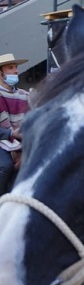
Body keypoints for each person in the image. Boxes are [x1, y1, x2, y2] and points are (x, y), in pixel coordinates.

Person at [0, 54, 30, 195]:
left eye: (16, 68)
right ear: (1, 73)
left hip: (21, 140)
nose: (16, 71)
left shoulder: (24, 95)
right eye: (10, 68)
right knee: (6, 166)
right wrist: (11, 134)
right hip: (2, 141)